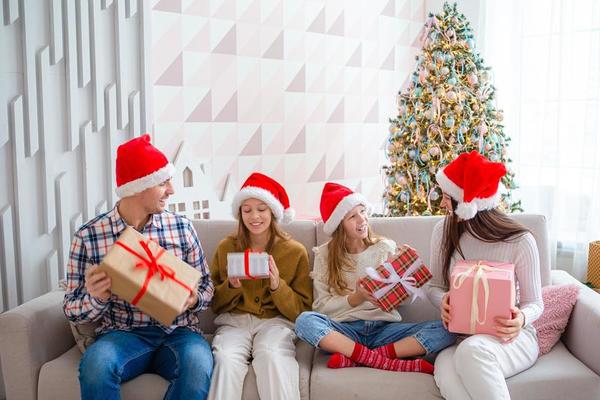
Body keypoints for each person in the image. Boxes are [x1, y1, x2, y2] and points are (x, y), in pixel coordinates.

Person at [63, 134, 214, 400]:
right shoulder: (89, 236)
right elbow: (71, 309)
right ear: (138, 187)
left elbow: (206, 286)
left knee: (198, 366)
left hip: (179, 333)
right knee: (96, 365)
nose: (171, 190)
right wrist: (96, 299)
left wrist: (193, 299)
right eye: (163, 182)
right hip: (123, 334)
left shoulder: (182, 227)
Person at [295, 182, 455, 373]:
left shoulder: (384, 248)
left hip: (383, 331)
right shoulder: (324, 255)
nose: (362, 219)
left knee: (449, 328)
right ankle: (382, 359)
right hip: (345, 332)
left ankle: (362, 358)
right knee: (305, 321)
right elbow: (320, 307)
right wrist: (356, 298)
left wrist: (408, 272)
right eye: (352, 216)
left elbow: (403, 303)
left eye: (363, 211)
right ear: (339, 225)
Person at [427, 150, 543, 400]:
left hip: (512, 340)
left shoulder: (520, 241)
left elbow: (536, 303)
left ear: (466, 203)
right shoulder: (443, 231)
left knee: (472, 351)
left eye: (448, 197)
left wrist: (521, 318)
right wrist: (444, 300)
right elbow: (434, 287)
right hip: (460, 339)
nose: (442, 203)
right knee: (447, 372)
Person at [208, 172, 312, 400]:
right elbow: (214, 304)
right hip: (235, 322)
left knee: (272, 353)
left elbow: (302, 312)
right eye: (247, 210)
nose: (254, 216)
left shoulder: (294, 251)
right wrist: (232, 286)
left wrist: (278, 286)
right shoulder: (227, 247)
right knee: (225, 357)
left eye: (262, 209)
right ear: (240, 213)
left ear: (273, 212)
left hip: (276, 323)